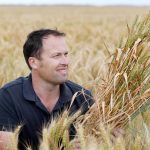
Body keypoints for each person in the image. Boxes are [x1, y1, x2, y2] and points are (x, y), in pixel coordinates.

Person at [0, 29, 94, 150]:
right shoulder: (8, 97)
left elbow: (99, 139)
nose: (65, 61)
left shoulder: (83, 97)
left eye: (66, 54)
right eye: (57, 55)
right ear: (33, 62)